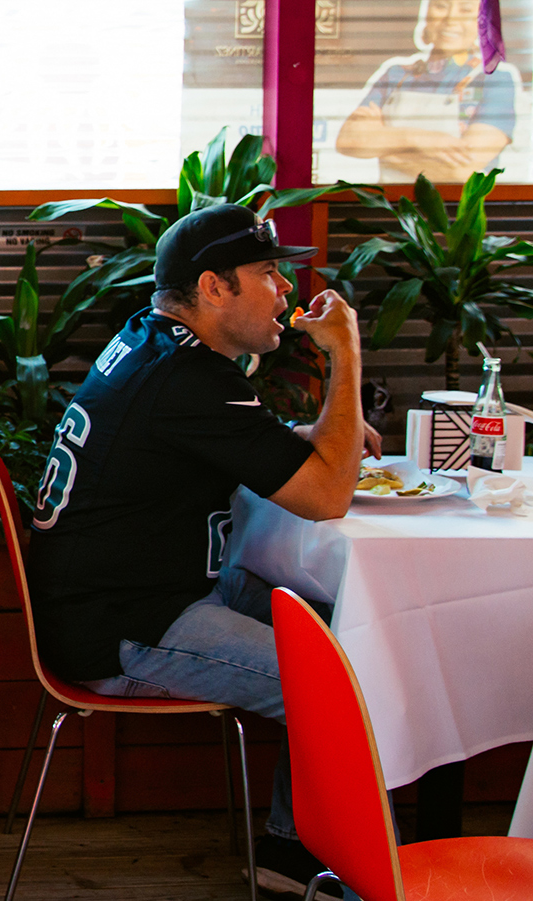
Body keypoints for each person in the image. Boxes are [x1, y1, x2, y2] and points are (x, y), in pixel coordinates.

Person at [25, 203, 377, 898]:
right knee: (341, 682)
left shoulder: (152, 341)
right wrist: (346, 350)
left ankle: (294, 847)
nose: (286, 289)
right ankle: (309, 860)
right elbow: (327, 495)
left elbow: (223, 437)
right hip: (126, 624)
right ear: (214, 287)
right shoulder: (189, 378)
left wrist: (312, 437)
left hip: (139, 594)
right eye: (268, 271)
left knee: (354, 632)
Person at [336, 0, 523, 183]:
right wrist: (421, 139)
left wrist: (388, 152)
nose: (451, 19)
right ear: (426, 12)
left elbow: (461, 172)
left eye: (465, 10)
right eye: (441, 6)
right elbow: (348, 141)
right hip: (392, 204)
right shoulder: (396, 74)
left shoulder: (494, 80)